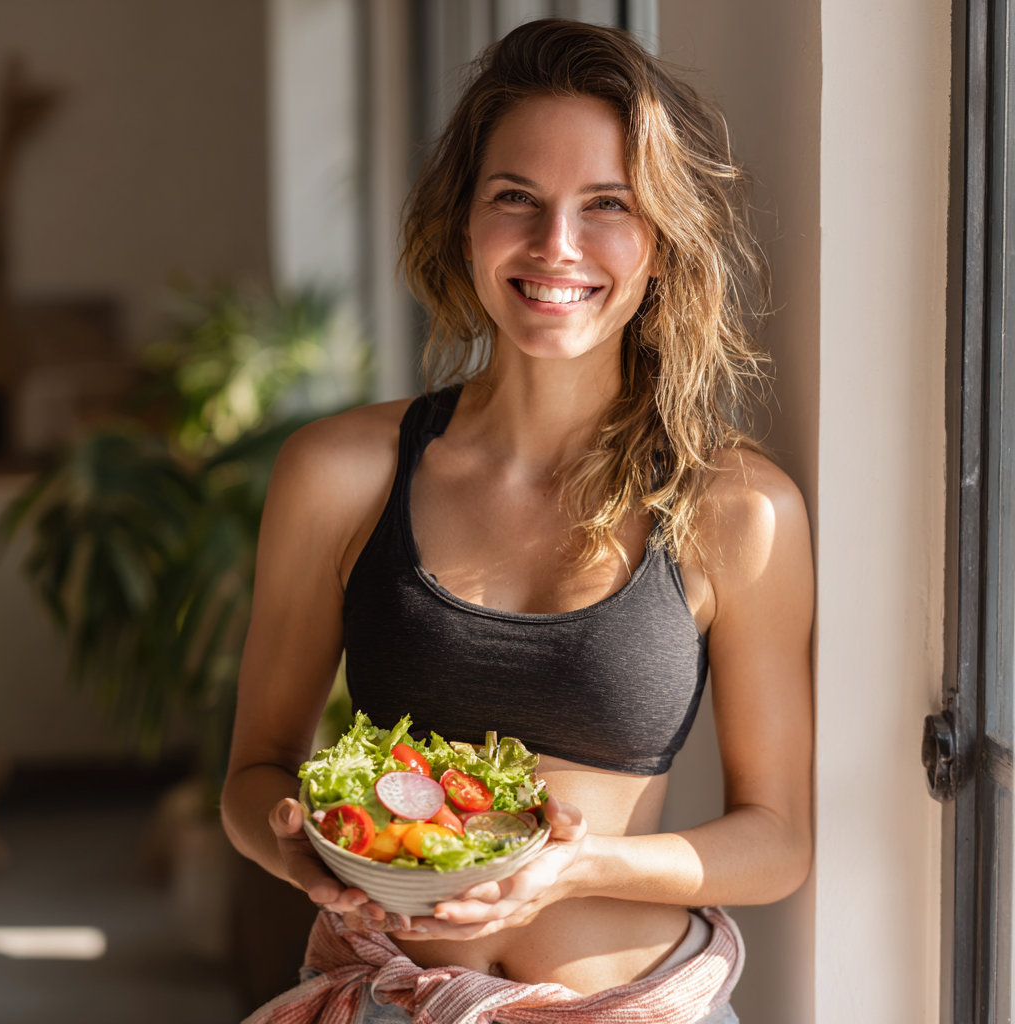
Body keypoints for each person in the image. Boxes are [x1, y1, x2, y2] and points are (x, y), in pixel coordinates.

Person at [221, 18, 813, 1024]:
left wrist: (579, 869)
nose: (556, 246)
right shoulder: (339, 473)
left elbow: (777, 839)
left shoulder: (735, 507)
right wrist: (290, 841)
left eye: (606, 206)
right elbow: (254, 773)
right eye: (515, 199)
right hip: (388, 1000)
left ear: (660, 241)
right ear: (463, 221)